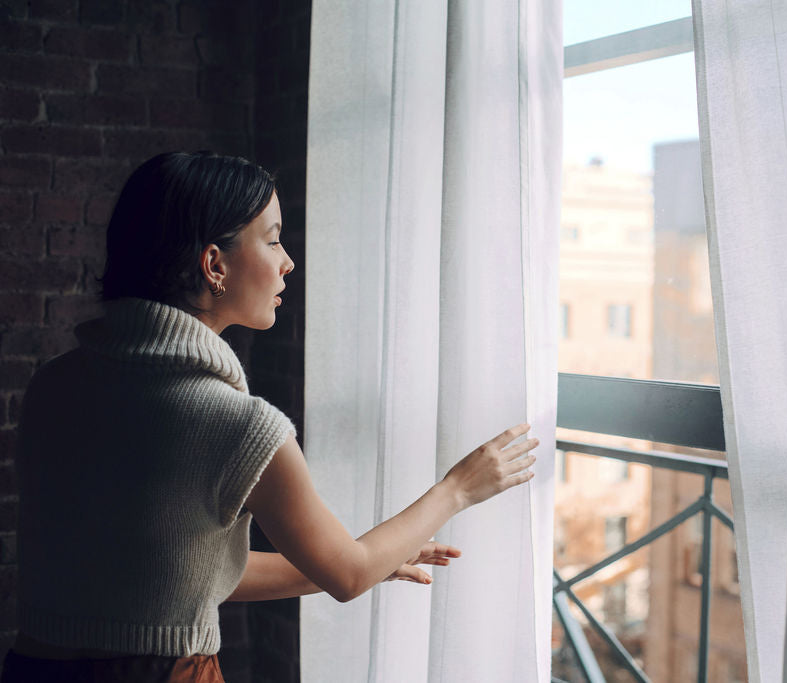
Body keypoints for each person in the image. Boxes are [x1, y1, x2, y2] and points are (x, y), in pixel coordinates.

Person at [3, 151, 540, 682]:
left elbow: (179, 576)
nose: (287, 262)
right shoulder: (240, 425)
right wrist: (458, 489)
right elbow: (348, 575)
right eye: (273, 238)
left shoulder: (55, 383)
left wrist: (366, 559)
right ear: (214, 264)